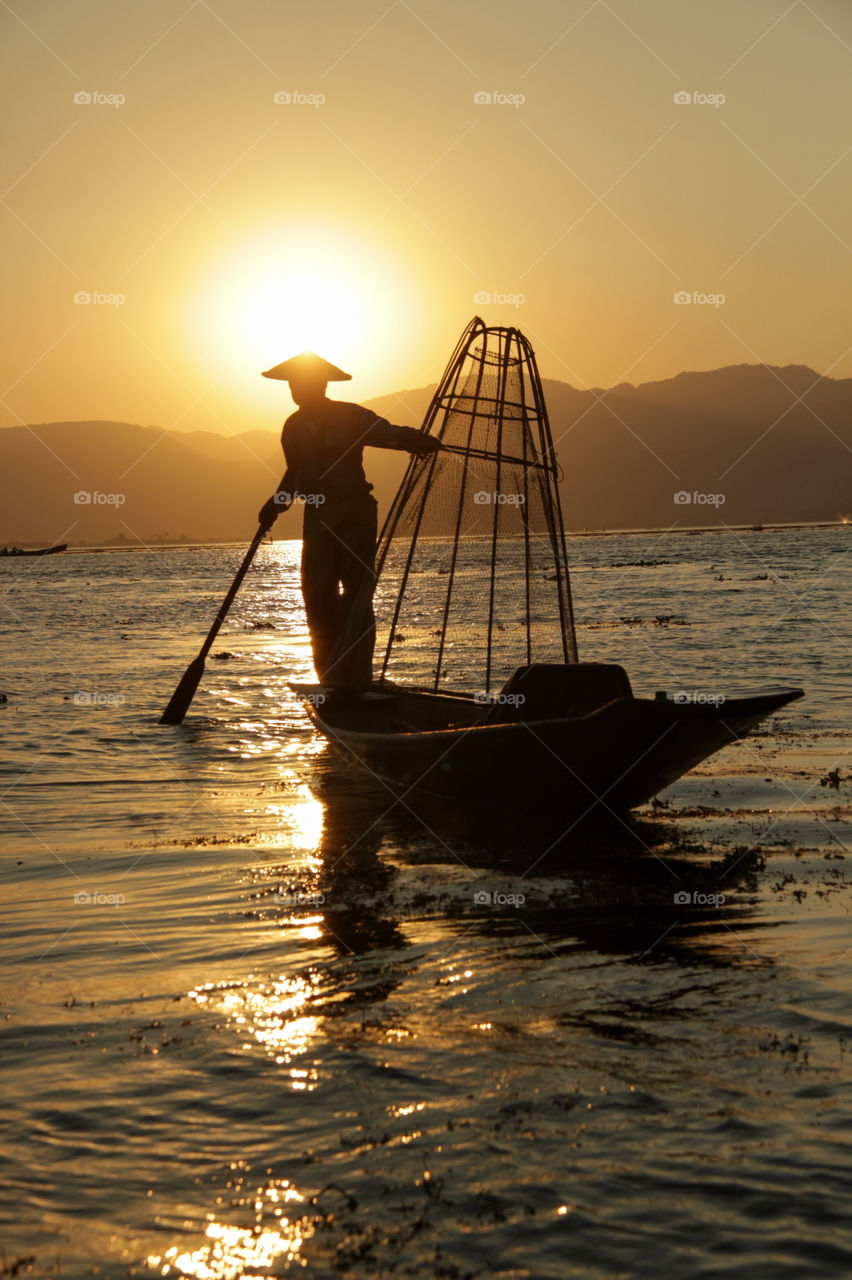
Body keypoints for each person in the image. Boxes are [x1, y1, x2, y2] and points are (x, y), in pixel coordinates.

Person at [258, 351, 440, 689]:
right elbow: (295, 475)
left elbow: (388, 434)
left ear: (322, 386)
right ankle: (330, 679)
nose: (297, 391)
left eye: (304, 385)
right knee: (317, 594)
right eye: (293, 386)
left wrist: (417, 440)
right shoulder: (293, 428)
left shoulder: (351, 417)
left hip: (355, 513)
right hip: (318, 516)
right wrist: (276, 504)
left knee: (356, 596)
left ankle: (357, 678)